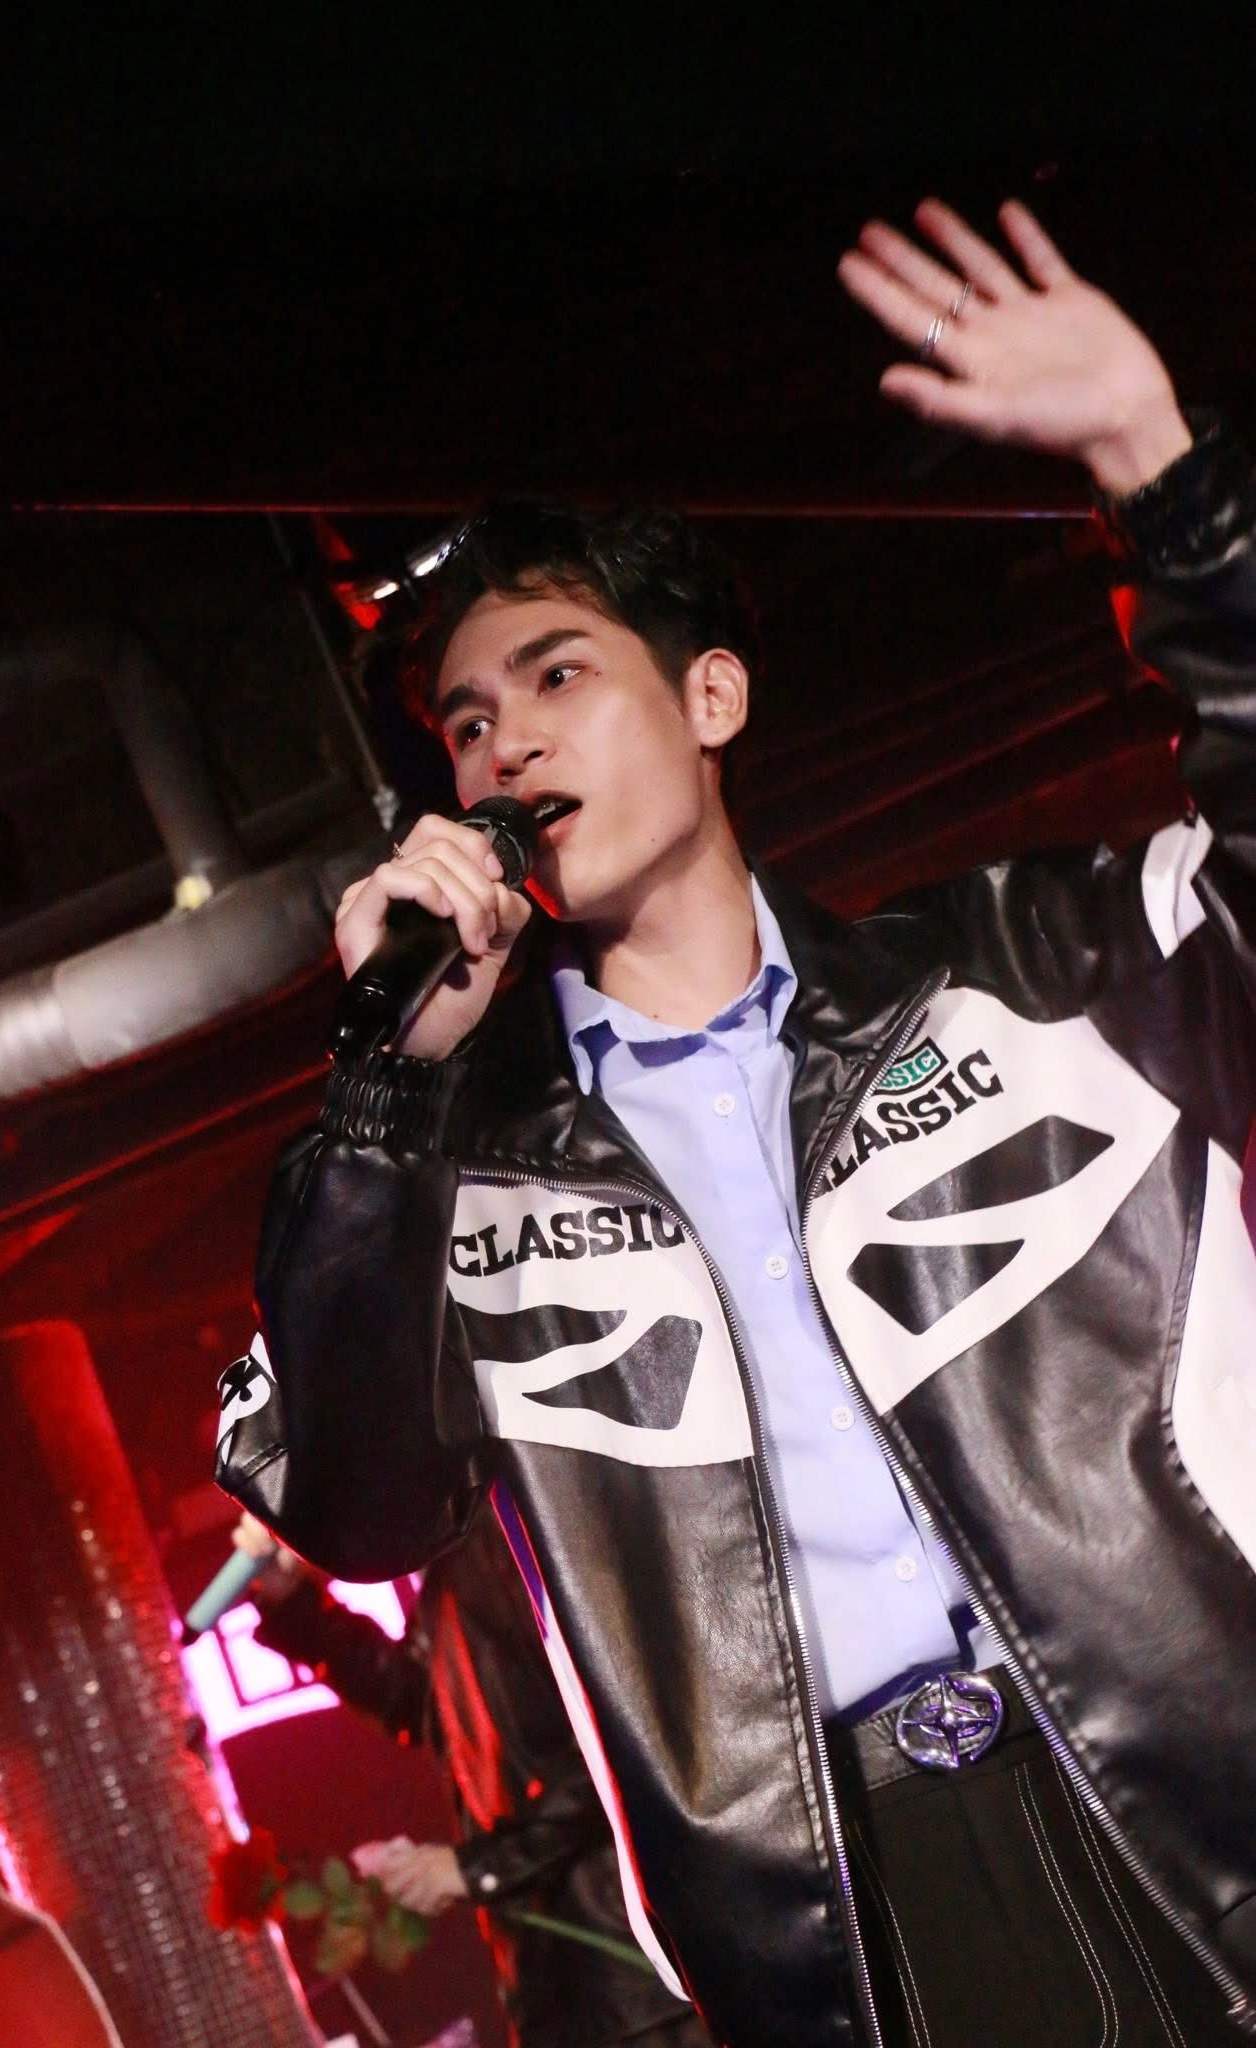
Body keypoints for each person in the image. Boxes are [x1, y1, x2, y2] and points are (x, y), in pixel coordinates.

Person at [215, 199, 1256, 2045]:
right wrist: (387, 1091)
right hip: (857, 1916)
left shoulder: (1032, 962)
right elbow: (355, 1505)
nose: (507, 746)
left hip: (1202, 1778)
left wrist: (1165, 480)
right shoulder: (457, 1180)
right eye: (465, 722)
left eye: (557, 675)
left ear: (711, 697)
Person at [231, 1504, 712, 2048]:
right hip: (566, 1988)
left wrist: (476, 1869)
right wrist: (297, 1607)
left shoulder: (500, 1539)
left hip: (634, 1984)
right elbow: (424, 1701)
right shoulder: (452, 1564)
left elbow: (613, 1744)